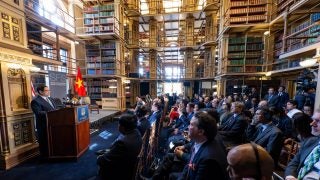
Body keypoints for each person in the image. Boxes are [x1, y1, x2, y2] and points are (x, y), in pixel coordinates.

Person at [178, 111, 228, 180]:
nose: (188, 127)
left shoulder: (208, 160)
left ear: (201, 132)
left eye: (191, 125)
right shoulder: (198, 140)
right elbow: (190, 164)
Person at [97, 114, 142, 180]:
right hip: (131, 164)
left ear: (122, 127)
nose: (118, 126)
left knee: (100, 160)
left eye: (119, 124)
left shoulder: (122, 143)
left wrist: (99, 158)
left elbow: (106, 160)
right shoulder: (137, 132)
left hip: (122, 171)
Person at [285, 109, 320, 180]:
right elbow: (293, 164)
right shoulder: (310, 141)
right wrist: (290, 176)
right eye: (313, 120)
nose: (312, 123)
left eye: (318, 121)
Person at [31, 84, 57, 158]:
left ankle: (54, 154)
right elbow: (38, 112)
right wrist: (52, 113)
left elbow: (55, 109)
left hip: (54, 124)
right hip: (44, 125)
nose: (49, 91)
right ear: (40, 91)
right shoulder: (35, 101)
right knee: (45, 142)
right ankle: (45, 157)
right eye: (46, 90)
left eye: (49, 90)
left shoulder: (51, 99)